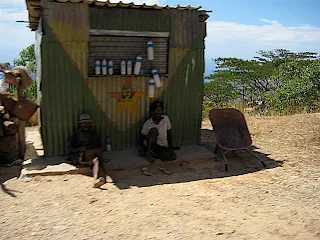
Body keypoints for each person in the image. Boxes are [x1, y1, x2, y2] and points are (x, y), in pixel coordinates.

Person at [69, 113, 106, 188]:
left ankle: (95, 180)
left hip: (90, 155)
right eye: (84, 123)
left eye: (87, 123)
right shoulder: (76, 134)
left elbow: (99, 146)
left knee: (96, 160)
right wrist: (79, 149)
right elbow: (70, 149)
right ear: (80, 124)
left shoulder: (94, 133)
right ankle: (104, 173)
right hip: (79, 156)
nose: (86, 125)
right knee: (96, 153)